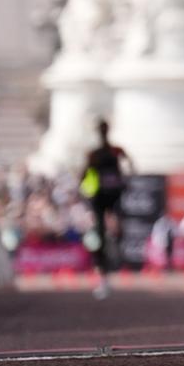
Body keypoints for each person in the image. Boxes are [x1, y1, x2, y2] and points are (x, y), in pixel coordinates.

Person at [80, 119, 134, 299]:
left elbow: (130, 165)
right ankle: (103, 271)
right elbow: (84, 174)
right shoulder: (96, 154)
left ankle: (111, 257)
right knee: (101, 233)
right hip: (102, 197)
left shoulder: (111, 151)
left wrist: (125, 180)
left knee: (110, 230)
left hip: (109, 196)